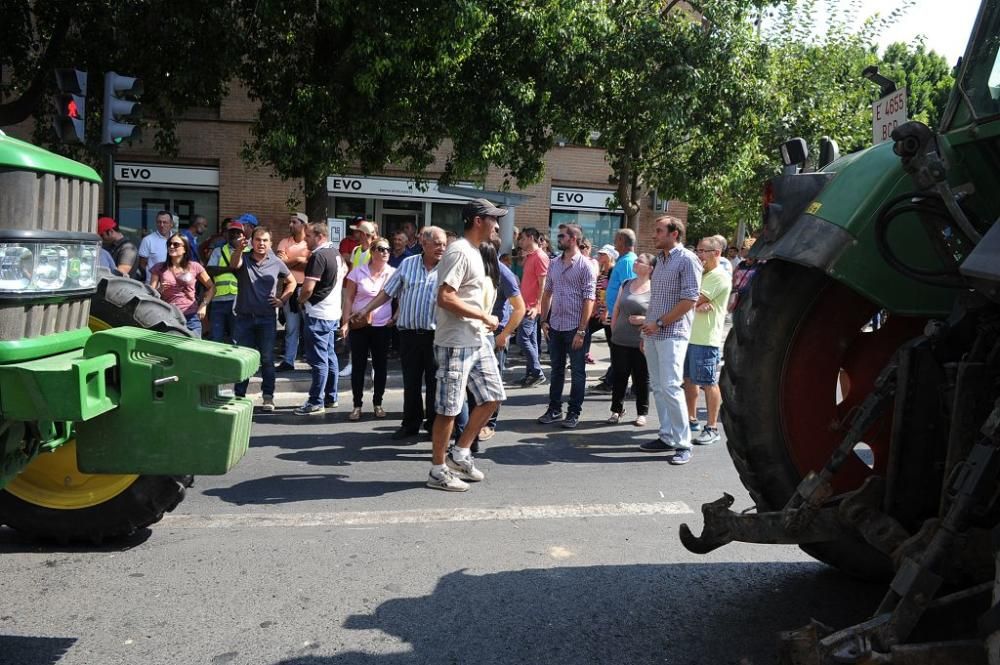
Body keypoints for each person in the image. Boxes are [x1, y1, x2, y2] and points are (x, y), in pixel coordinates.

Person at [427, 198, 506, 492]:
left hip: (477, 338)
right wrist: (483, 314)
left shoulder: (474, 252)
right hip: (455, 341)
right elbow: (445, 297)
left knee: (492, 396)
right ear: (478, 221)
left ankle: (460, 451)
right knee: (449, 408)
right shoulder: (459, 251)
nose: (497, 225)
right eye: (493, 219)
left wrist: (482, 318)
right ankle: (437, 470)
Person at [353, 226, 447, 439]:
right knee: (411, 382)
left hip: (437, 337)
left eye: (444, 244)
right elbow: (388, 292)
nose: (442, 248)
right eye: (437, 244)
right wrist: (366, 309)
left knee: (435, 383)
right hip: (409, 335)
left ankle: (433, 425)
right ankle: (410, 424)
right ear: (424, 243)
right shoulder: (408, 264)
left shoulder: (448, 267)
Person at [638, 216, 702, 465]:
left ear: (674, 234)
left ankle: (683, 443)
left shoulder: (687, 260)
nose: (654, 235)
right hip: (654, 332)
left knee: (671, 386)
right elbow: (657, 299)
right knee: (658, 386)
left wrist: (660, 323)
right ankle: (666, 436)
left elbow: (689, 300)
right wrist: (647, 331)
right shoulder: (661, 260)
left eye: (659, 231)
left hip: (672, 333)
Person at [228, 226, 296, 412]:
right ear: (252, 241)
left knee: (267, 359)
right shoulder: (243, 257)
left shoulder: (276, 262)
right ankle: (239, 396)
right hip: (244, 318)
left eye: (265, 240)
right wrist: (240, 249)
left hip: (266, 319)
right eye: (258, 240)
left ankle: (268, 397)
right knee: (244, 359)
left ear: (270, 243)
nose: (261, 243)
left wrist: (282, 300)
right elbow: (234, 265)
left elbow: (292, 281)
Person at [536, 224, 597, 429]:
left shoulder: (585, 265)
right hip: (555, 326)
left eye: (561, 236)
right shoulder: (554, 263)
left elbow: (589, 299)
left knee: (578, 371)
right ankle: (554, 408)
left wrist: (582, 330)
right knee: (556, 370)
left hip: (575, 327)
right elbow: (547, 292)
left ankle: (573, 412)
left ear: (573, 239)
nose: (558, 239)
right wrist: (544, 320)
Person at [467, 238, 525, 446]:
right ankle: (472, 423)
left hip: (496, 336)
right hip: (476, 335)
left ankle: (488, 424)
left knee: (493, 384)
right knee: (475, 386)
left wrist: (505, 335)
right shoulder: (476, 271)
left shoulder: (503, 273)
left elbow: (520, 308)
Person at [684, 236, 733, 444]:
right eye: (698, 250)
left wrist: (694, 303)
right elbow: (688, 298)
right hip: (688, 335)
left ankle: (712, 427)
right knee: (688, 380)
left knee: (708, 382)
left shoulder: (718, 276)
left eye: (703, 251)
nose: (699, 255)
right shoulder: (700, 273)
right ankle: (691, 418)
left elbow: (690, 299)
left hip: (706, 339)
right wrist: (694, 304)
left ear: (717, 253)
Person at [293, 222, 345, 415]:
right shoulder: (336, 253)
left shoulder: (319, 256)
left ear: (319, 236)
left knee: (318, 360)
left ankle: (316, 401)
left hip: (318, 314)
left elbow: (307, 288)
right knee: (330, 356)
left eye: (308, 236)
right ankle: (331, 397)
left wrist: (300, 300)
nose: (305, 240)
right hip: (332, 313)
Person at [341, 237, 395, 421]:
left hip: (382, 325)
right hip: (359, 324)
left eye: (388, 249)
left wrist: (397, 316)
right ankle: (357, 405)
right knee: (358, 365)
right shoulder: (358, 271)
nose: (385, 252)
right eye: (381, 249)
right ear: (372, 252)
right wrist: (345, 322)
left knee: (381, 366)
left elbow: (401, 296)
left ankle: (378, 403)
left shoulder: (393, 273)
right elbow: (348, 298)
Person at [607, 253, 653, 425]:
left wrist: (644, 320)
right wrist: (614, 330)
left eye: (640, 261)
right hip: (620, 339)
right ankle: (616, 410)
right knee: (620, 375)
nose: (635, 262)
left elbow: (659, 314)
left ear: (650, 268)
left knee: (641, 377)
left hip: (642, 341)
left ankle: (642, 413)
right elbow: (617, 307)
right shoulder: (626, 284)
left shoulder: (655, 288)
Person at [593, 229, 638, 393]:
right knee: (619, 353)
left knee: (622, 353)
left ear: (621, 241)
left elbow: (628, 290)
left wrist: (619, 316)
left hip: (620, 317)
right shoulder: (624, 260)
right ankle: (613, 382)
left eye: (616, 240)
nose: (614, 242)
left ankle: (626, 385)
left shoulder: (627, 262)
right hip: (614, 314)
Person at [149, 233, 214, 337]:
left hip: (191, 316)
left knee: (193, 349)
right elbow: (150, 293)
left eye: (176, 244)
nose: (171, 246)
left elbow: (211, 287)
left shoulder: (195, 266)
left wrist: (204, 305)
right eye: (169, 244)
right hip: (168, 316)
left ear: (185, 249)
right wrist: (159, 289)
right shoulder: (159, 267)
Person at [275, 212, 311, 372]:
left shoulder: (309, 242)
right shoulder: (284, 241)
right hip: (289, 289)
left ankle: (313, 361)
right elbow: (279, 265)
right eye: (290, 222)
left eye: (294, 222)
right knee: (291, 327)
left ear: (303, 225)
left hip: (307, 288)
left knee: (310, 327)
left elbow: (311, 266)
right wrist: (298, 260)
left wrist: (289, 262)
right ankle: (288, 361)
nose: (290, 225)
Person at [515, 227, 549, 388]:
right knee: (531, 341)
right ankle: (531, 374)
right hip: (525, 304)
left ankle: (537, 372)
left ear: (530, 238)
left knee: (522, 339)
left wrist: (537, 305)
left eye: (522, 238)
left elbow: (543, 284)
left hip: (531, 307)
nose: (520, 241)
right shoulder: (531, 256)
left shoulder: (541, 257)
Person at [584, 244, 617, 364]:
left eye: (603, 254)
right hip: (599, 311)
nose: (599, 256)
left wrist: (606, 311)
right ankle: (585, 354)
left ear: (609, 256)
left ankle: (612, 371)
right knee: (585, 330)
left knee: (612, 343)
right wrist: (595, 309)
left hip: (608, 312)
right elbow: (599, 293)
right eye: (599, 253)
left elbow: (611, 293)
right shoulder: (602, 272)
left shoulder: (613, 272)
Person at [137, 210, 174, 283]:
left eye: (165, 222)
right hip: (153, 284)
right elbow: (142, 264)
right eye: (159, 222)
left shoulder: (178, 240)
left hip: (174, 284)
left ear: (171, 224)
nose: (162, 225)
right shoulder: (148, 240)